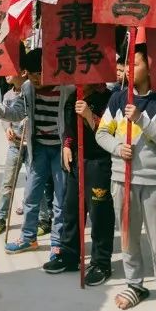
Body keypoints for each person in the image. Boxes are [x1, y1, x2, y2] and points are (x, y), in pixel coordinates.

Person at [96, 45, 156, 311]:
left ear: (151, 66)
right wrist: (117, 147)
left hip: (154, 181)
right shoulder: (117, 99)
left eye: (137, 63)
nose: (130, 69)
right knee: (129, 236)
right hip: (121, 178)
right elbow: (101, 133)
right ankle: (135, 285)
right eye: (128, 63)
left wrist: (142, 119)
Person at [0, 49, 73, 255]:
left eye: (38, 73)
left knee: (60, 198)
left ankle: (57, 242)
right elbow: (17, 112)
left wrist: (69, 146)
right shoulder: (27, 89)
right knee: (31, 195)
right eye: (31, 73)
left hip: (60, 150)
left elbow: (71, 123)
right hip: (39, 149)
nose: (34, 78)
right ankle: (28, 238)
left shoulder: (67, 89)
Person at [46, 80, 114, 279]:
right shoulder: (73, 95)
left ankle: (101, 263)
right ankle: (69, 255)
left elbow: (111, 132)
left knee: (99, 213)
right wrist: (67, 145)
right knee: (71, 208)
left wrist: (89, 116)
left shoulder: (109, 98)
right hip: (77, 160)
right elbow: (68, 125)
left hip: (99, 162)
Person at [0, 74, 28, 237]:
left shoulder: (31, 92)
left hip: (32, 145)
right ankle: (0, 217)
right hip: (15, 145)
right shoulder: (7, 95)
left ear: (23, 72)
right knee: (7, 182)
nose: (6, 74)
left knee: (35, 182)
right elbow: (5, 117)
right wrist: (8, 129)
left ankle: (43, 218)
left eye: (11, 71)